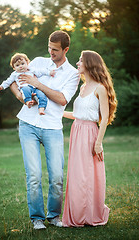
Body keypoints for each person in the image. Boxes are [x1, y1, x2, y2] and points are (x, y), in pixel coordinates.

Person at [9, 31, 79, 229]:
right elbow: (15, 80)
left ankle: (54, 216)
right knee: (33, 175)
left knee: (57, 176)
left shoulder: (73, 74)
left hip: (52, 127)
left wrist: (37, 84)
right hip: (28, 124)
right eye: (49, 47)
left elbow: (62, 99)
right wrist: (21, 97)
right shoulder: (38, 62)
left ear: (65, 49)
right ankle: (37, 218)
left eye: (55, 50)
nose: (51, 52)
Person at [62, 50, 117, 227]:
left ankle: (90, 214)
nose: (77, 63)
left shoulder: (100, 88)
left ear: (89, 64)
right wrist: (58, 113)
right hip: (76, 132)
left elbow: (104, 118)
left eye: (80, 61)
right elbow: (79, 114)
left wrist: (98, 143)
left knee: (89, 175)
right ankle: (77, 214)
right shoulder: (83, 87)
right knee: (77, 175)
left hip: (90, 134)